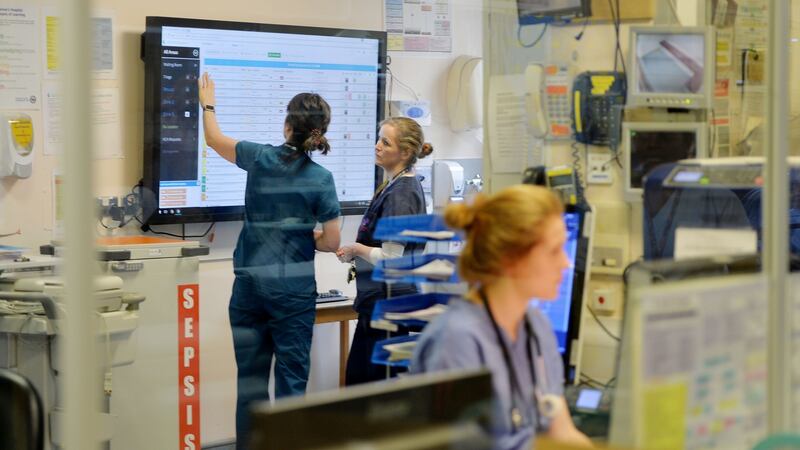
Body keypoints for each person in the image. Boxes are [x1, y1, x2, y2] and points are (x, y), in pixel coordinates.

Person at [198, 73, 341, 448]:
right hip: (292, 294)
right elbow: (332, 241)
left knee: (250, 386)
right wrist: (309, 236)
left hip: (249, 289)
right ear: (319, 132)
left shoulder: (259, 158)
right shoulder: (322, 179)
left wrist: (208, 104)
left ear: (288, 125)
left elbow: (213, 139)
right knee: (292, 385)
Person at [410, 185, 592, 450]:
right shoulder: (458, 340)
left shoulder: (536, 327)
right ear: (511, 259)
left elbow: (561, 433)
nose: (566, 263)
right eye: (554, 251)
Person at [336, 117, 432, 385]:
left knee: (367, 385)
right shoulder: (394, 185)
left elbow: (392, 258)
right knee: (360, 380)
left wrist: (357, 248)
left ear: (405, 152)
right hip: (381, 303)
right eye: (378, 139)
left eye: (385, 142)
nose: (377, 146)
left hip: (388, 305)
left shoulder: (401, 194)